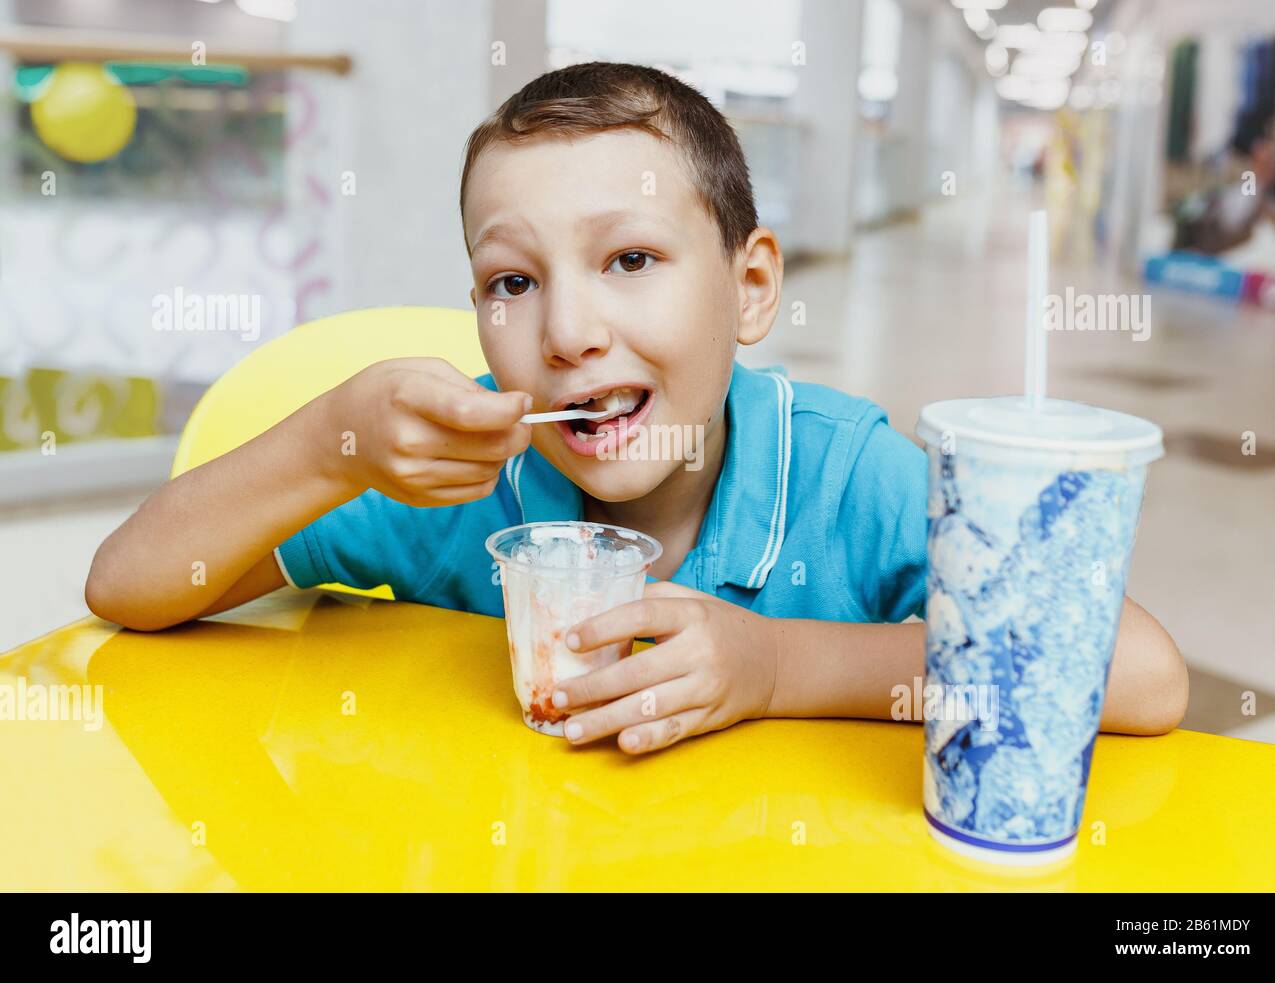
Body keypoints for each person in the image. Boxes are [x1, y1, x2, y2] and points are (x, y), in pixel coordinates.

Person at [86, 63, 1188, 754]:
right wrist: (330, 442)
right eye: (512, 282)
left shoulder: (847, 471)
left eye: (630, 257)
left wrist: (781, 667)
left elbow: (1137, 674)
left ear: (751, 287)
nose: (566, 331)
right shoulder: (461, 478)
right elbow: (129, 588)